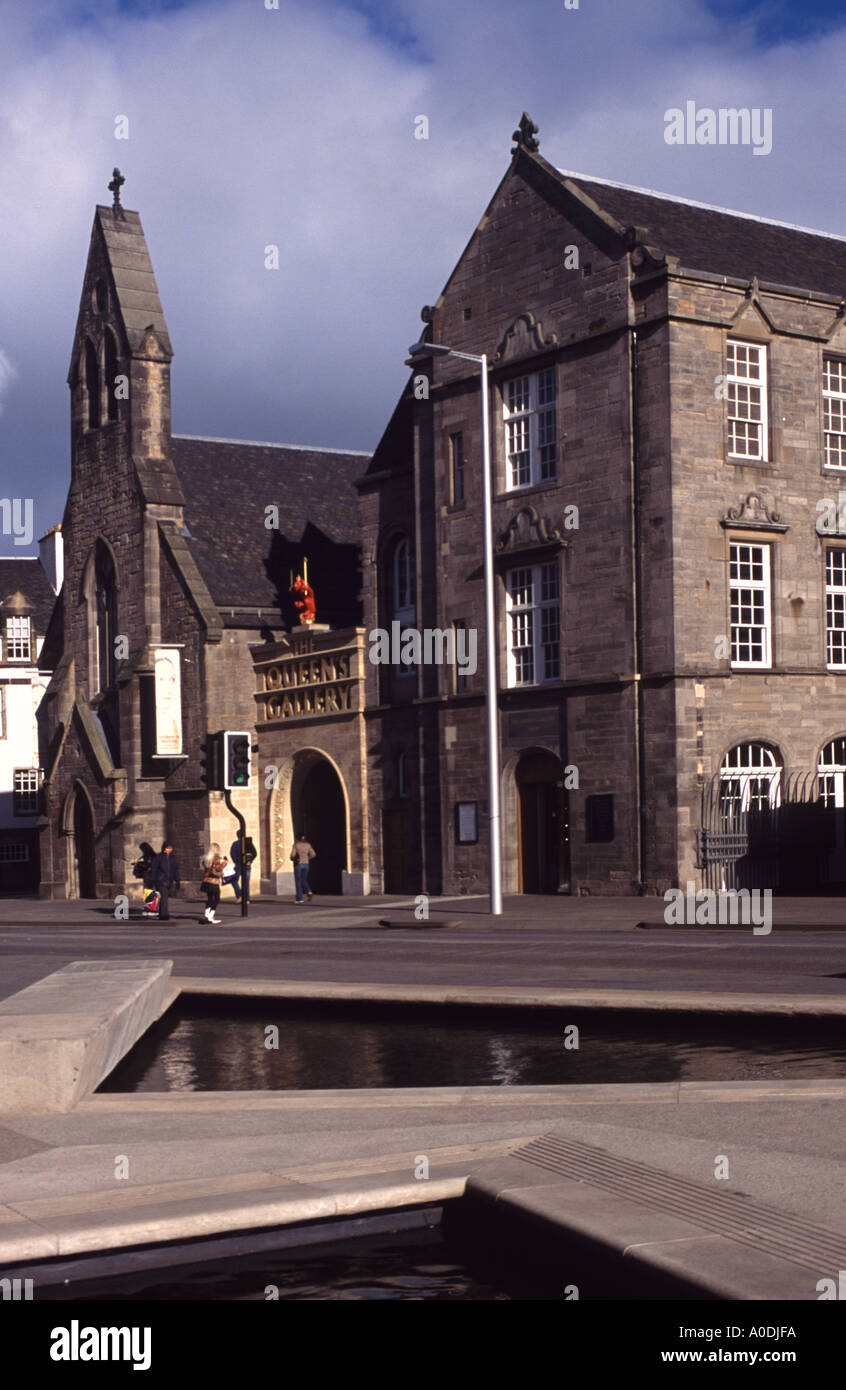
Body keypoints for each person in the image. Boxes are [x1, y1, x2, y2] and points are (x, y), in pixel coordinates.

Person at [149, 841, 180, 921]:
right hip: (161, 880)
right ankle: (164, 914)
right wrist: (153, 879)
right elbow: (154, 869)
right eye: (167, 848)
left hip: (169, 880)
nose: (169, 850)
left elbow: (176, 870)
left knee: (163, 897)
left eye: (170, 848)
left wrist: (177, 880)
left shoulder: (173, 858)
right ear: (164, 848)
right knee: (164, 896)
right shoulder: (159, 857)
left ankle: (161, 913)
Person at [201, 844, 228, 923]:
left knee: (210, 898)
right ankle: (210, 916)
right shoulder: (218, 859)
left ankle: (206, 914)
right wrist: (225, 864)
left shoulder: (206, 858)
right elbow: (218, 869)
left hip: (206, 881)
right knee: (216, 899)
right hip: (214, 881)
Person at [290, 831, 315, 904]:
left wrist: (293, 858)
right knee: (304, 879)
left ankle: (299, 898)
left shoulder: (296, 845)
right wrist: (307, 858)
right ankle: (308, 891)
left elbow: (292, 855)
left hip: (298, 864)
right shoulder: (308, 845)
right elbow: (313, 854)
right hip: (306, 864)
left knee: (298, 881)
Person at [229, 836, 256, 904]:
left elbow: (232, 854)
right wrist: (250, 860)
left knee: (233, 879)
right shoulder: (248, 843)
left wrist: (236, 861)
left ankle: (240, 895)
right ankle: (247, 899)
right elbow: (254, 853)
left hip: (239, 865)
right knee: (246, 882)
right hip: (247, 864)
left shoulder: (235, 844)